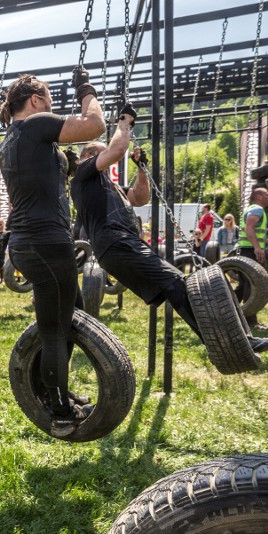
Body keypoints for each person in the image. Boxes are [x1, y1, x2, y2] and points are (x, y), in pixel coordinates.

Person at [69, 106, 268, 356]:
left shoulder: (109, 184)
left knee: (176, 286)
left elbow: (140, 198)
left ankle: (229, 343)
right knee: (178, 282)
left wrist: (141, 169)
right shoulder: (83, 175)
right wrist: (125, 122)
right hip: (115, 243)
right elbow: (117, 148)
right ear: (88, 156)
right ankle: (233, 343)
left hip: (122, 244)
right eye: (103, 155)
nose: (111, 161)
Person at [0, 66, 105, 437]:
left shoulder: (14, 138)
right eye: (50, 99)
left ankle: (54, 391)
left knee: (71, 314)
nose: (53, 105)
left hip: (33, 242)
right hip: (44, 243)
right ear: (36, 101)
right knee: (56, 329)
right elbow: (94, 126)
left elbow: (44, 178)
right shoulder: (35, 125)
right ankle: (58, 411)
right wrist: (85, 89)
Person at [237, 184, 268, 329]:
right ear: (258, 196)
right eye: (266, 195)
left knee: (245, 284)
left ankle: (230, 311)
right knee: (254, 284)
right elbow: (249, 228)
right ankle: (250, 321)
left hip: (246, 250)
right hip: (251, 251)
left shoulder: (252, 209)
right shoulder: (257, 209)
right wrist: (257, 247)